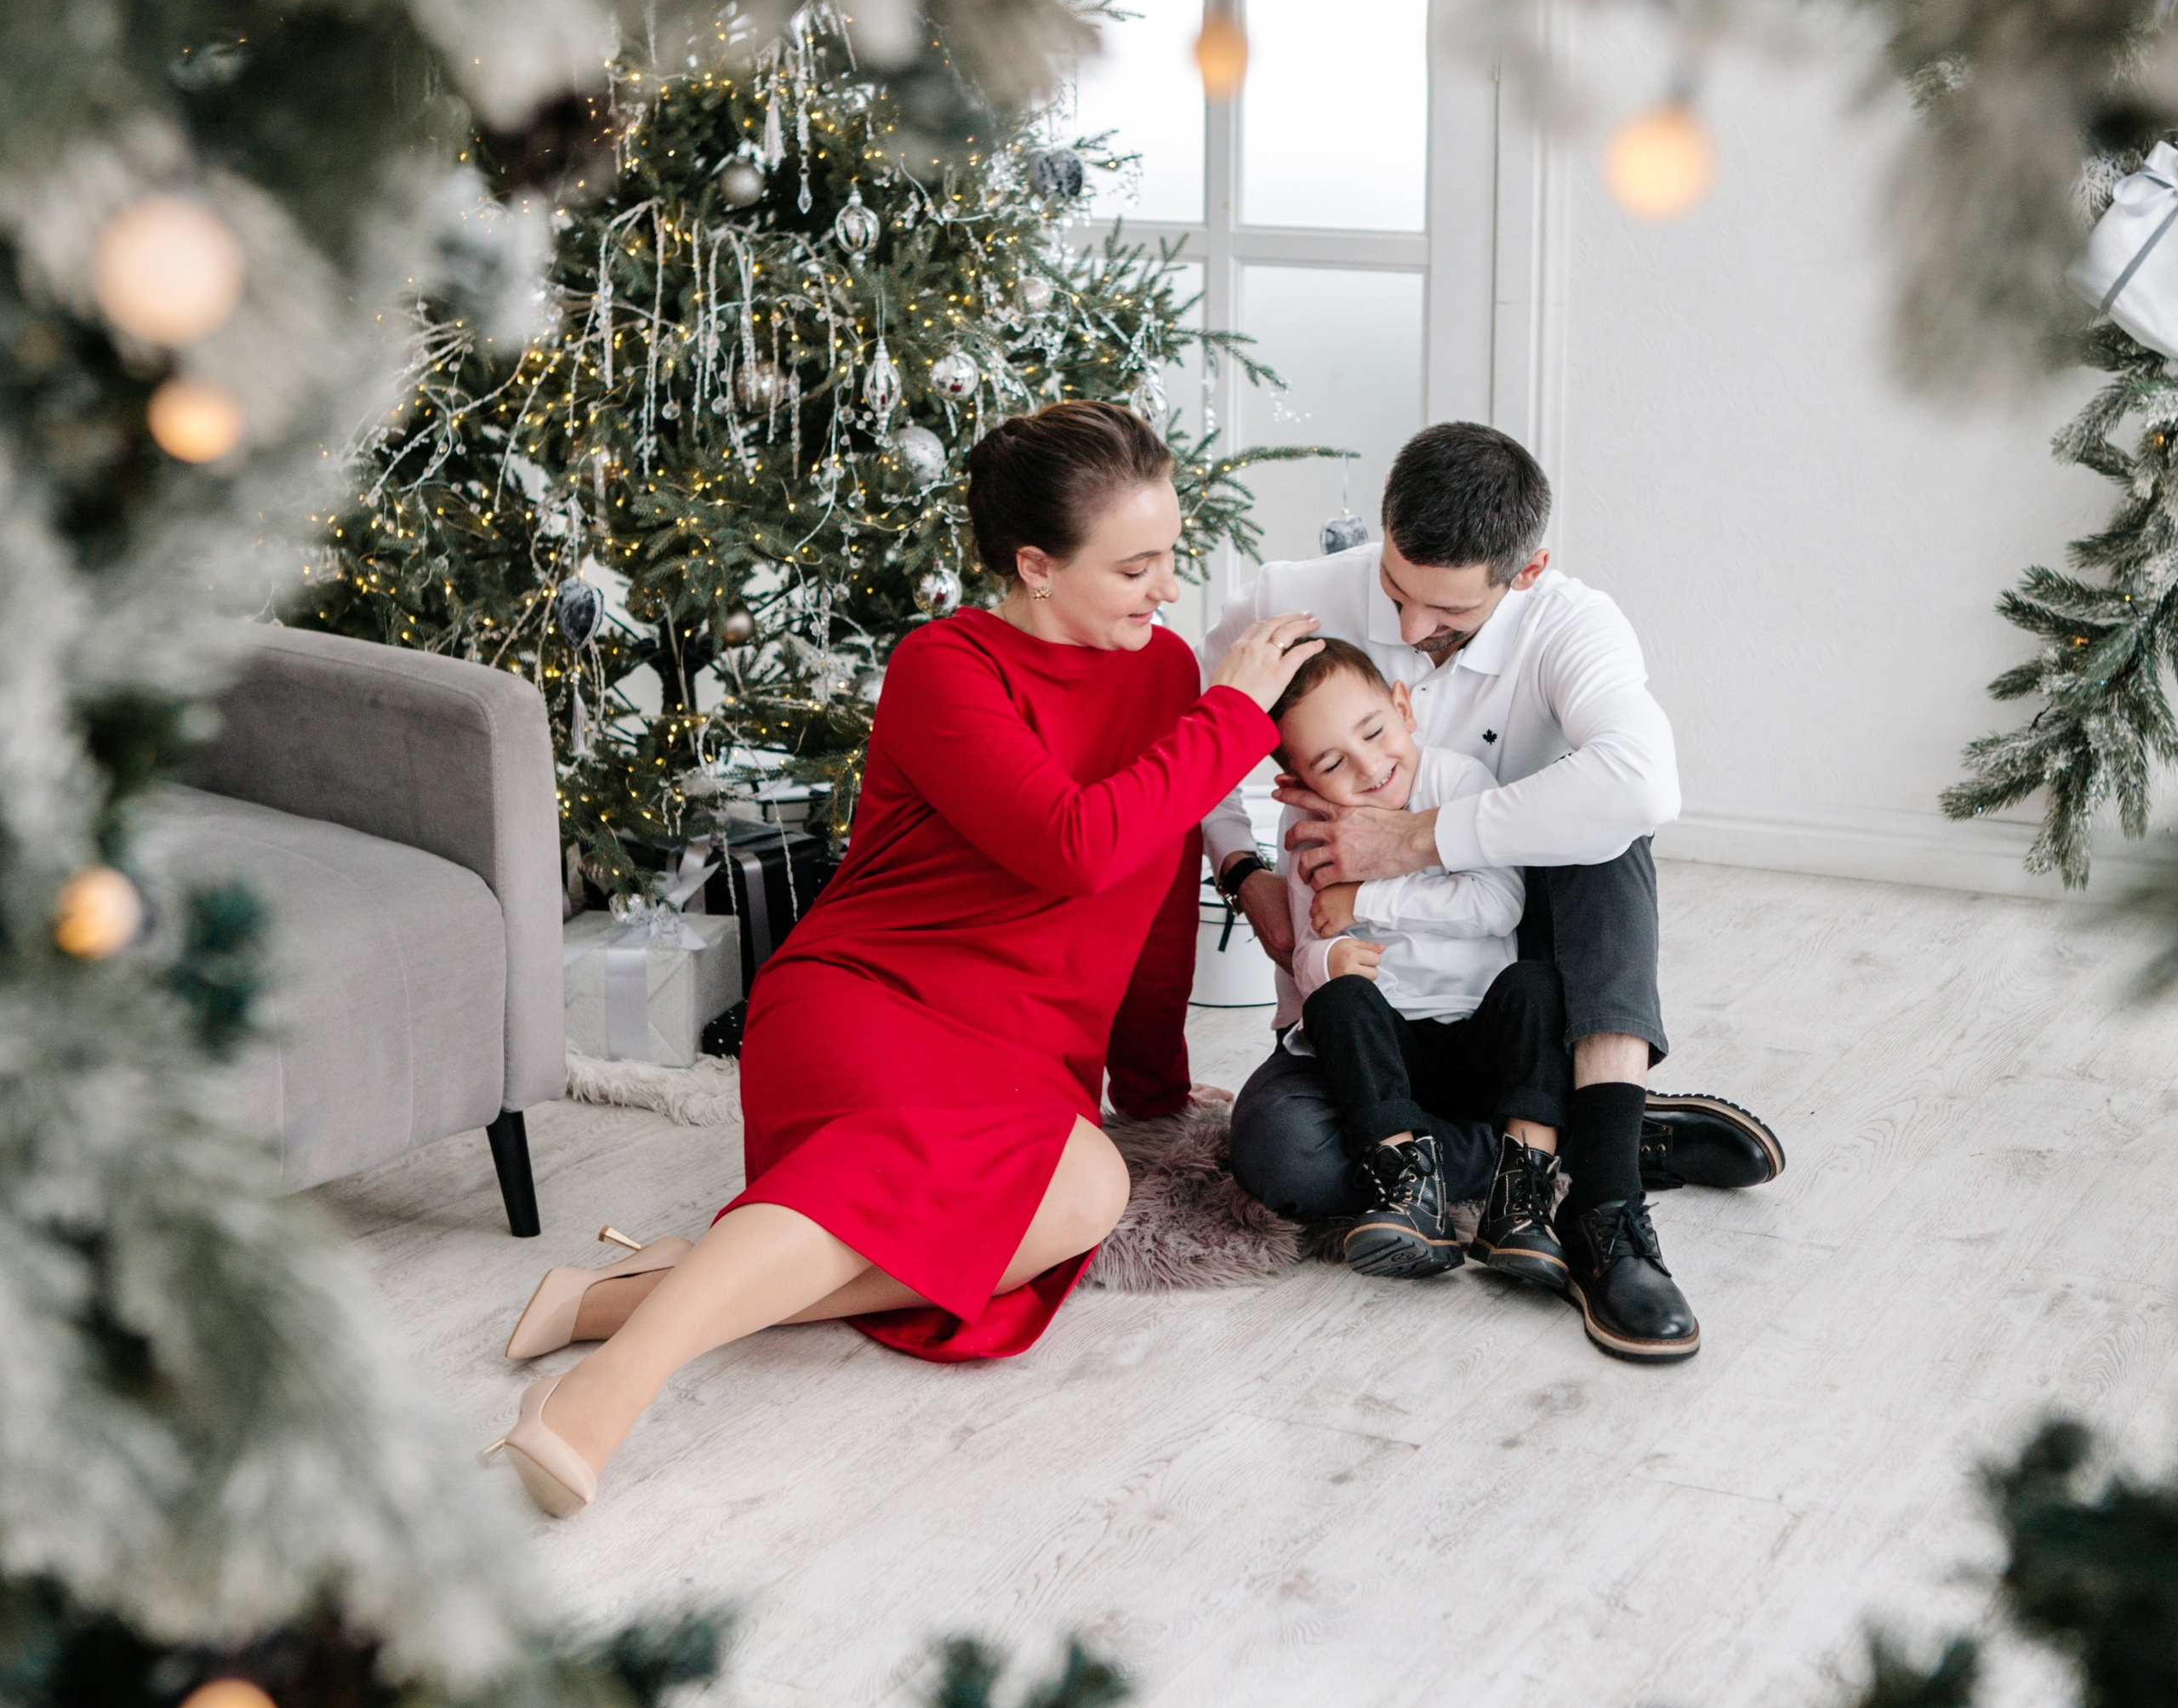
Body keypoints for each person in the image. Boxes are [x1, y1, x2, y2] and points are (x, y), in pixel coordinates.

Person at [483, 401, 1320, 1518]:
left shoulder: (1169, 675)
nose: (1166, 588)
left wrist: (1156, 1089)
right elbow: (1077, 847)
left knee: (1091, 1189)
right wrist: (1234, 717)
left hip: (1021, 1050)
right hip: (871, 998)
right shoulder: (945, 667)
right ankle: (600, 1393)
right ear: (1034, 565)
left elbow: (1152, 891)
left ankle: (625, 1297)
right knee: (890, 1173)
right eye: (1135, 566)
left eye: (1170, 556)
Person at [1206, 422, 1784, 1366]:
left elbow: (1645, 784)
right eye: (1392, 591)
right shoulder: (1290, 602)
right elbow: (1191, 742)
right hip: (1366, 1014)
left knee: (1608, 834)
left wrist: (1414, 841)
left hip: (1499, 995)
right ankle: (1595, 1128)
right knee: (1282, 1158)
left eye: (1443, 614)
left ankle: (1604, 1207)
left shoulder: (1570, 623)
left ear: (1526, 572)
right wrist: (1245, 873)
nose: (1403, 632)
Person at [1269, 640, 1579, 1297]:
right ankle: (1411, 1186)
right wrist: (1328, 958)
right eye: (1331, 763)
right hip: (1388, 1057)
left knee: (1535, 987)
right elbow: (1304, 948)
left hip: (1476, 1039)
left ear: (1403, 708)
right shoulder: (1305, 827)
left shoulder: (1459, 782)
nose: (1370, 767)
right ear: (1298, 781)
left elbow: (1499, 904)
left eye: (1375, 732)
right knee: (1335, 999)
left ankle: (1518, 1201)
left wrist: (1366, 897)